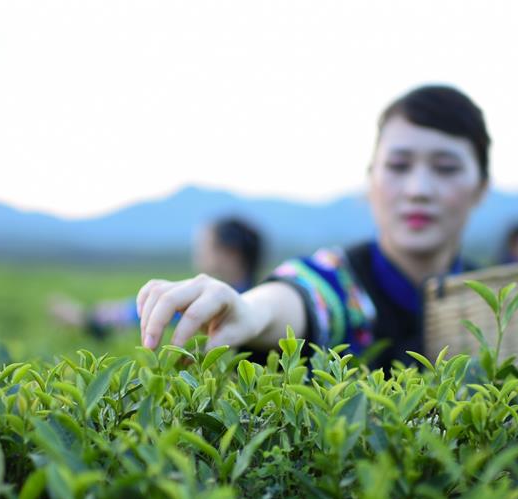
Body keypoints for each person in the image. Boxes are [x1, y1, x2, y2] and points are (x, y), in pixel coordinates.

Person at [137, 85, 490, 371]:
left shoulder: (498, 300)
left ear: (481, 187)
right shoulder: (339, 280)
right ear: (370, 181)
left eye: (445, 167)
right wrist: (250, 311)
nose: (418, 189)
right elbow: (298, 297)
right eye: (398, 165)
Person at [50, 216, 262, 338]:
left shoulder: (219, 305)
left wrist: (86, 318)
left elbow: (140, 314)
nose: (196, 254)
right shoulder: (260, 297)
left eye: (203, 247)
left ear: (230, 253)